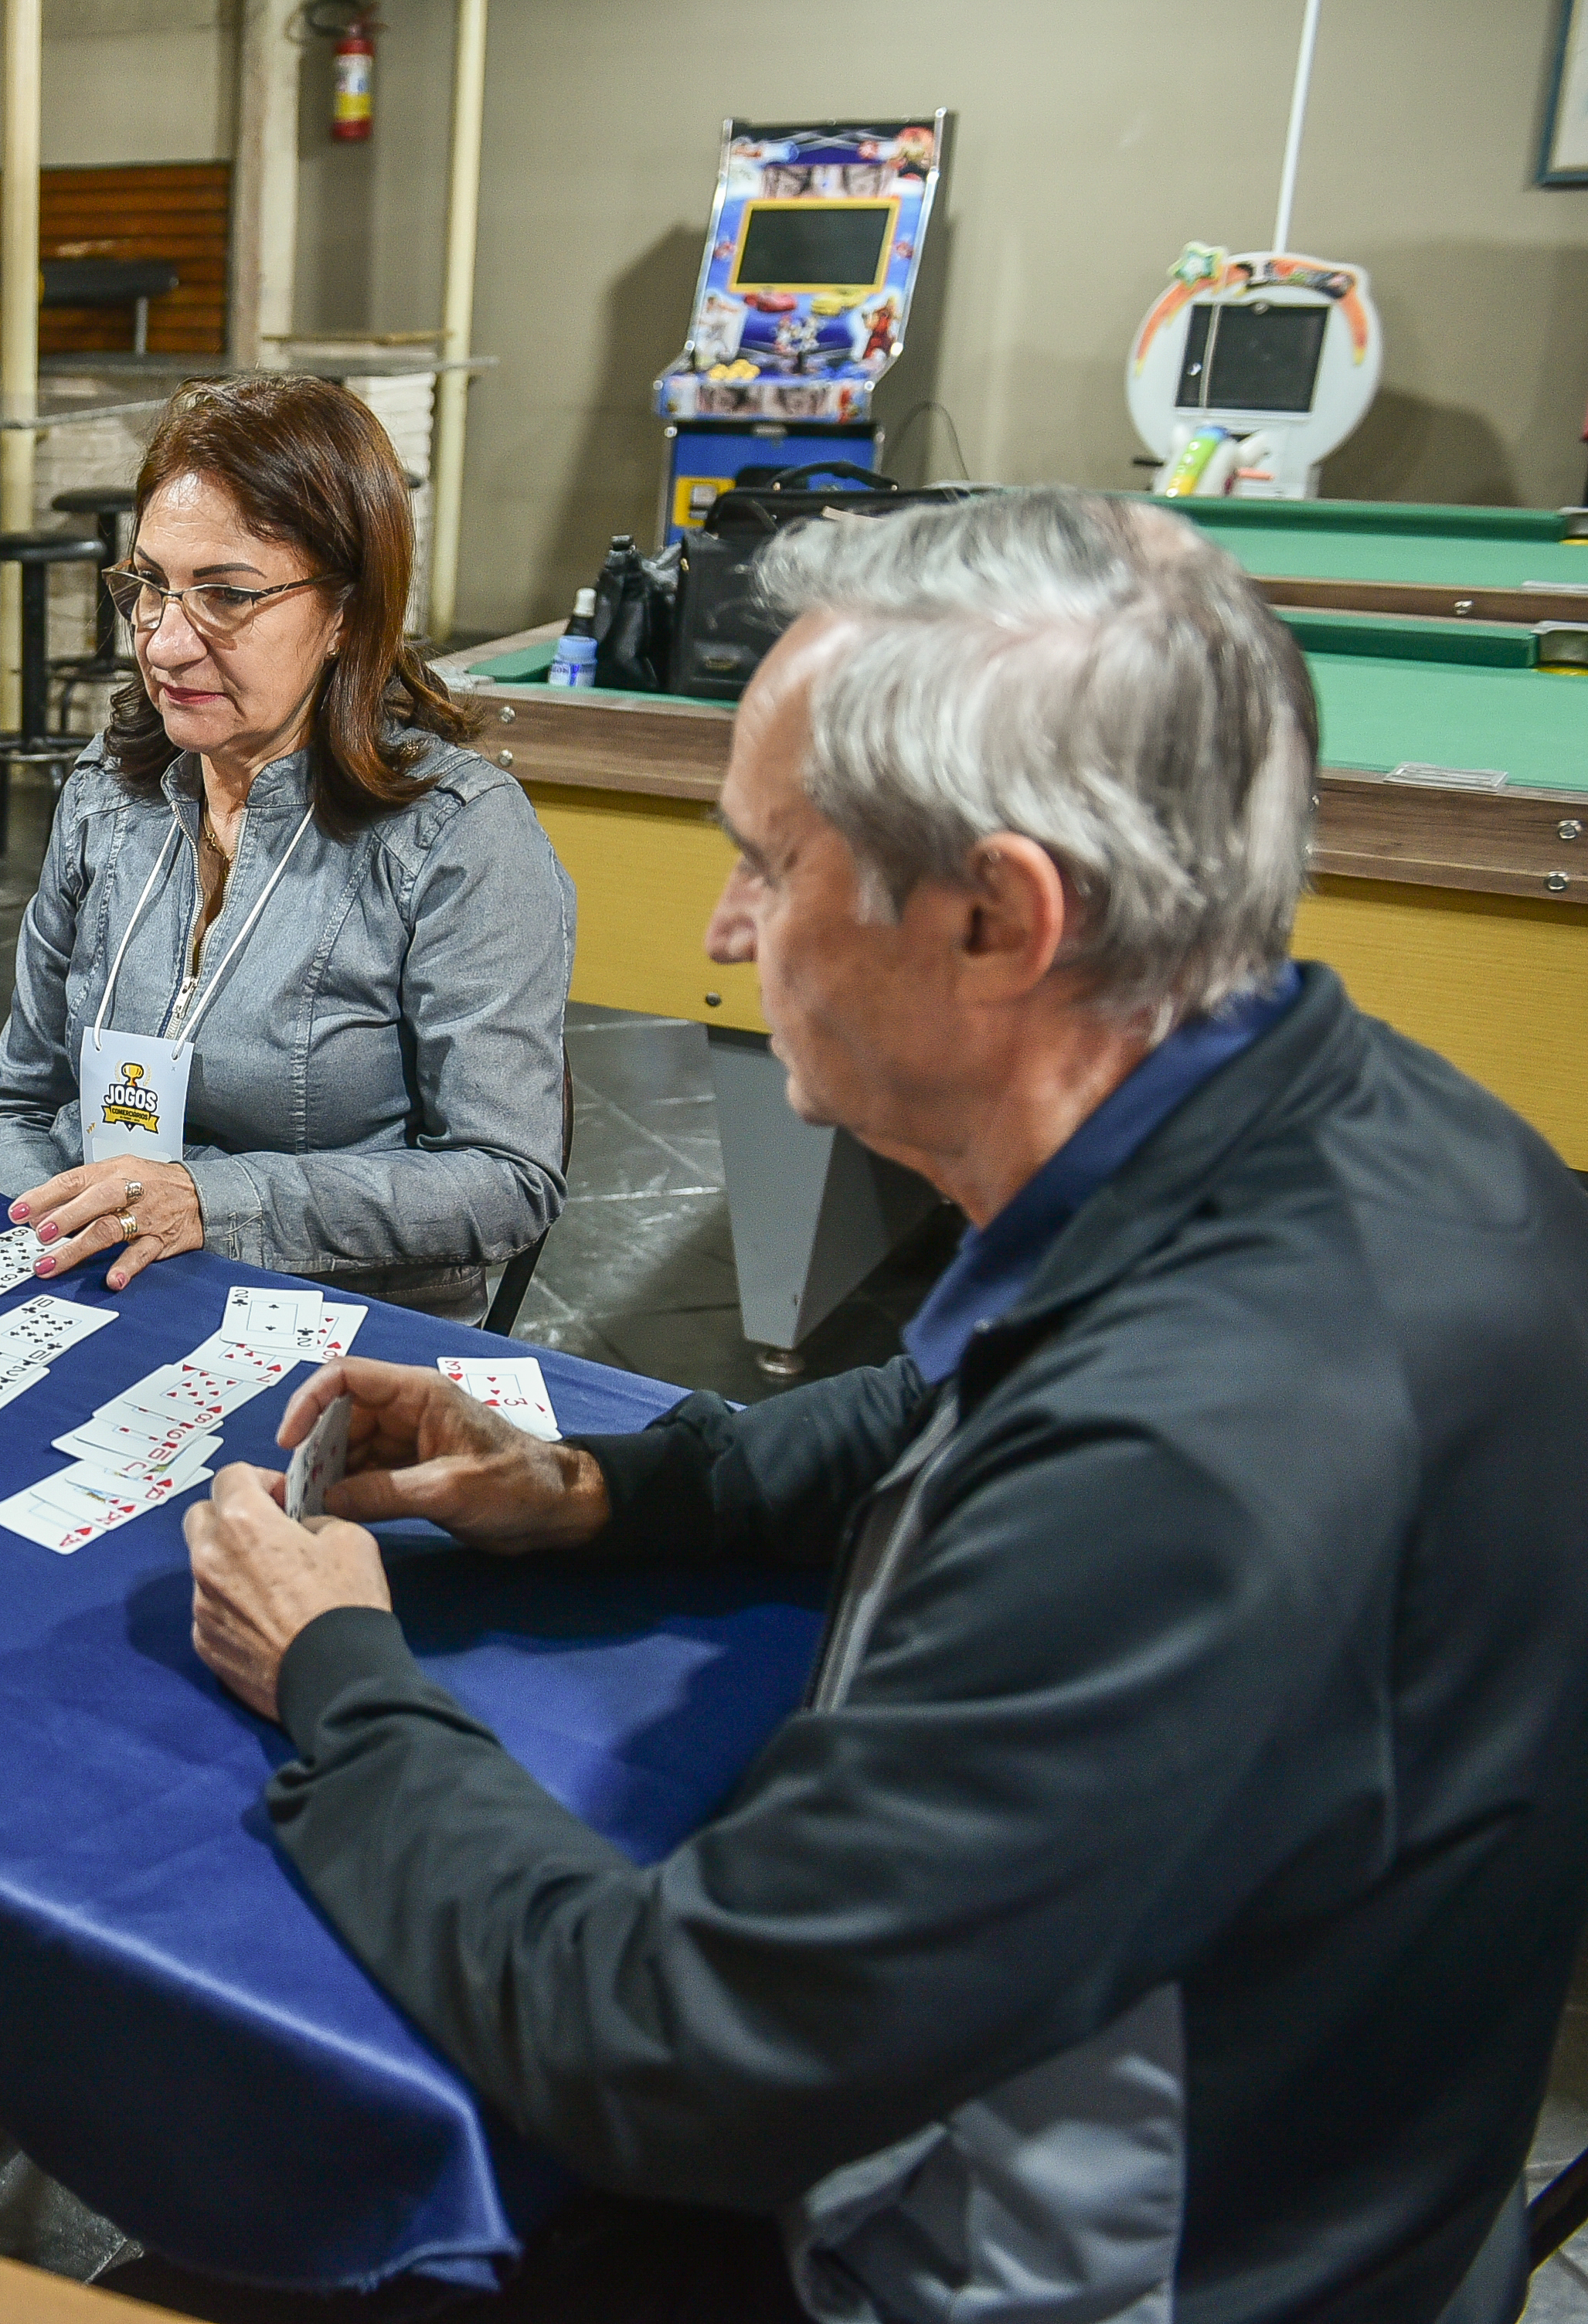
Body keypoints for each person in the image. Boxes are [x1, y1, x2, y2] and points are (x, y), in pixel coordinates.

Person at [184, 489, 1588, 2324]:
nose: (721, 920)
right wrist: (591, 1486)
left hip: (1025, 2275)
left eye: (768, 861)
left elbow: (673, 2050)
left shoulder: (1183, 1467)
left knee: (230, 2233)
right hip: (1333, 2178)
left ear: (1000, 916)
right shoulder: (1347, 1120)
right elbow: (946, 1402)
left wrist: (335, 1674)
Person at [0, 374, 571, 1320]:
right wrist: (50, 1228)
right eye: (150, 588)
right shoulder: (107, 790)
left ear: (346, 612)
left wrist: (211, 1204)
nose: (167, 644)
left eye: (226, 596)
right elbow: (21, 1102)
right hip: (103, 1291)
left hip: (336, 1330)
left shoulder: (456, 835)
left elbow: (507, 1177)